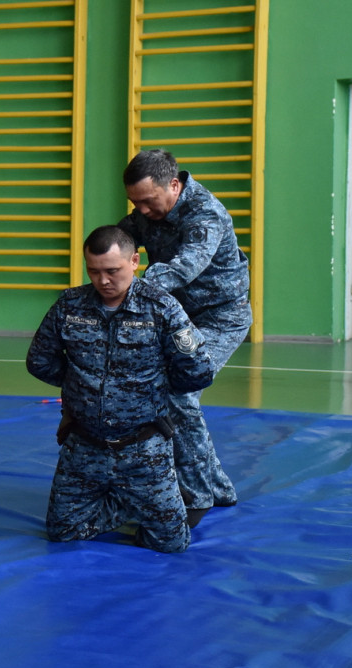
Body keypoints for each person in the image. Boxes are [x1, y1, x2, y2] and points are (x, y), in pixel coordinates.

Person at [26, 226, 214, 552]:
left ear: (134, 261)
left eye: (113, 271)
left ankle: (148, 503)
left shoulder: (161, 308)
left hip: (144, 448)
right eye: (94, 271)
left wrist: (152, 389)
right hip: (84, 446)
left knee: (171, 542)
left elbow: (198, 370)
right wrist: (83, 384)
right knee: (62, 531)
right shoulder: (70, 305)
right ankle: (129, 505)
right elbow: (39, 361)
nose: (103, 281)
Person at [118, 149, 253, 520]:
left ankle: (195, 498)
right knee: (164, 393)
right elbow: (120, 238)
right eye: (135, 203)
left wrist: (128, 288)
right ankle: (220, 489)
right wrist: (105, 264)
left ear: (174, 185)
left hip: (222, 317)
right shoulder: (147, 211)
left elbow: (184, 267)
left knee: (179, 394)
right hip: (180, 318)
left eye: (147, 201)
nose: (142, 210)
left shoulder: (205, 214)